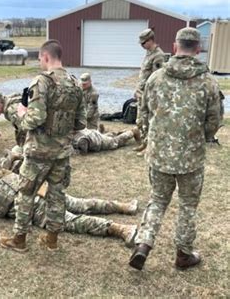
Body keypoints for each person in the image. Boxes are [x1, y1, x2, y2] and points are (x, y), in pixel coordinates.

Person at [129, 27, 221, 271]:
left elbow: (143, 113)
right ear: (198, 49)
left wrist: (152, 138)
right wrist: (203, 137)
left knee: (157, 201)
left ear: (174, 46)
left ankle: (143, 245)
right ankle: (183, 254)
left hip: (159, 155)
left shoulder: (156, 78)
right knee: (187, 206)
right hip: (191, 158)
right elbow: (214, 120)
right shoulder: (209, 82)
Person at [0, 40, 86, 252]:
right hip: (62, 152)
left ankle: (19, 240)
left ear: (46, 57)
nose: (39, 62)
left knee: (26, 193)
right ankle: (52, 239)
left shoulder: (42, 82)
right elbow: (81, 122)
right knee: (57, 195)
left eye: (39, 58)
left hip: (38, 151)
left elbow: (35, 119)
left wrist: (21, 116)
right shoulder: (75, 83)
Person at [0, 153, 138, 247]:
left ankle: (121, 229)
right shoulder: (5, 172)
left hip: (33, 206)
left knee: (73, 221)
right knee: (83, 204)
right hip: (43, 191)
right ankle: (124, 207)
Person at [133, 28, 165, 156]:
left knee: (150, 121)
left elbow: (158, 78)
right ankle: (144, 143)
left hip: (151, 95)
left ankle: (150, 147)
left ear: (151, 40)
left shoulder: (158, 56)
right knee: (141, 120)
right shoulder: (149, 53)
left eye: (144, 43)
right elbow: (144, 75)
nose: (142, 46)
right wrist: (137, 90)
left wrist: (150, 95)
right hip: (142, 93)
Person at [72, 127, 141, 154]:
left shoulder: (80, 140)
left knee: (115, 141)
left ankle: (132, 132)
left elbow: (83, 152)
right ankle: (122, 131)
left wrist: (73, 151)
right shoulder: (78, 129)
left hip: (101, 142)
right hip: (95, 135)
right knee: (109, 136)